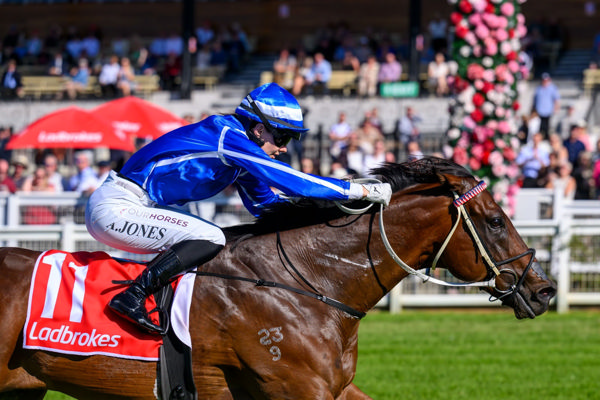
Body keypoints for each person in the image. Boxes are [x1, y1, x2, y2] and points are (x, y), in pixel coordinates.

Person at [85, 83, 391, 334]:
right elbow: (290, 181)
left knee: (214, 238)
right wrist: (357, 190)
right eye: (282, 136)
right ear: (258, 129)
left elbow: (267, 206)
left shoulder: (239, 156)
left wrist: (331, 216)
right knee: (213, 237)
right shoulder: (227, 136)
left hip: (135, 206)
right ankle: (133, 296)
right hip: (117, 207)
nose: (284, 147)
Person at [532, 72, 560, 140]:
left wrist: (556, 108)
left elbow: (556, 99)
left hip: (548, 111)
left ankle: (546, 138)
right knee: (539, 127)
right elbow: (535, 100)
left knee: (547, 127)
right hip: (539, 111)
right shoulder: (539, 88)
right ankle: (540, 138)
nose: (544, 81)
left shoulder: (552, 88)